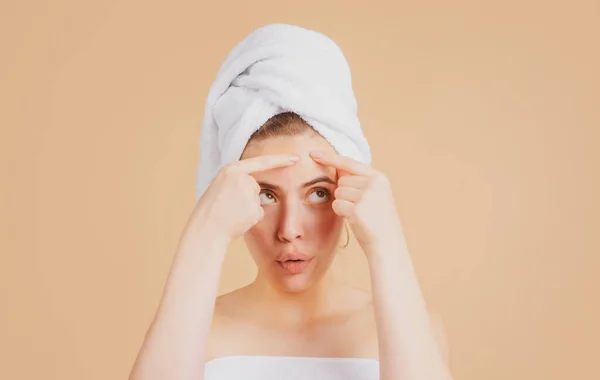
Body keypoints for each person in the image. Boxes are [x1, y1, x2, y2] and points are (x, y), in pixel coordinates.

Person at [129, 24, 453, 380]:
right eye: (266, 195)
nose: (289, 231)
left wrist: (387, 244)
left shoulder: (408, 327)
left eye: (317, 193)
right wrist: (204, 235)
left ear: (348, 193)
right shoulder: (190, 331)